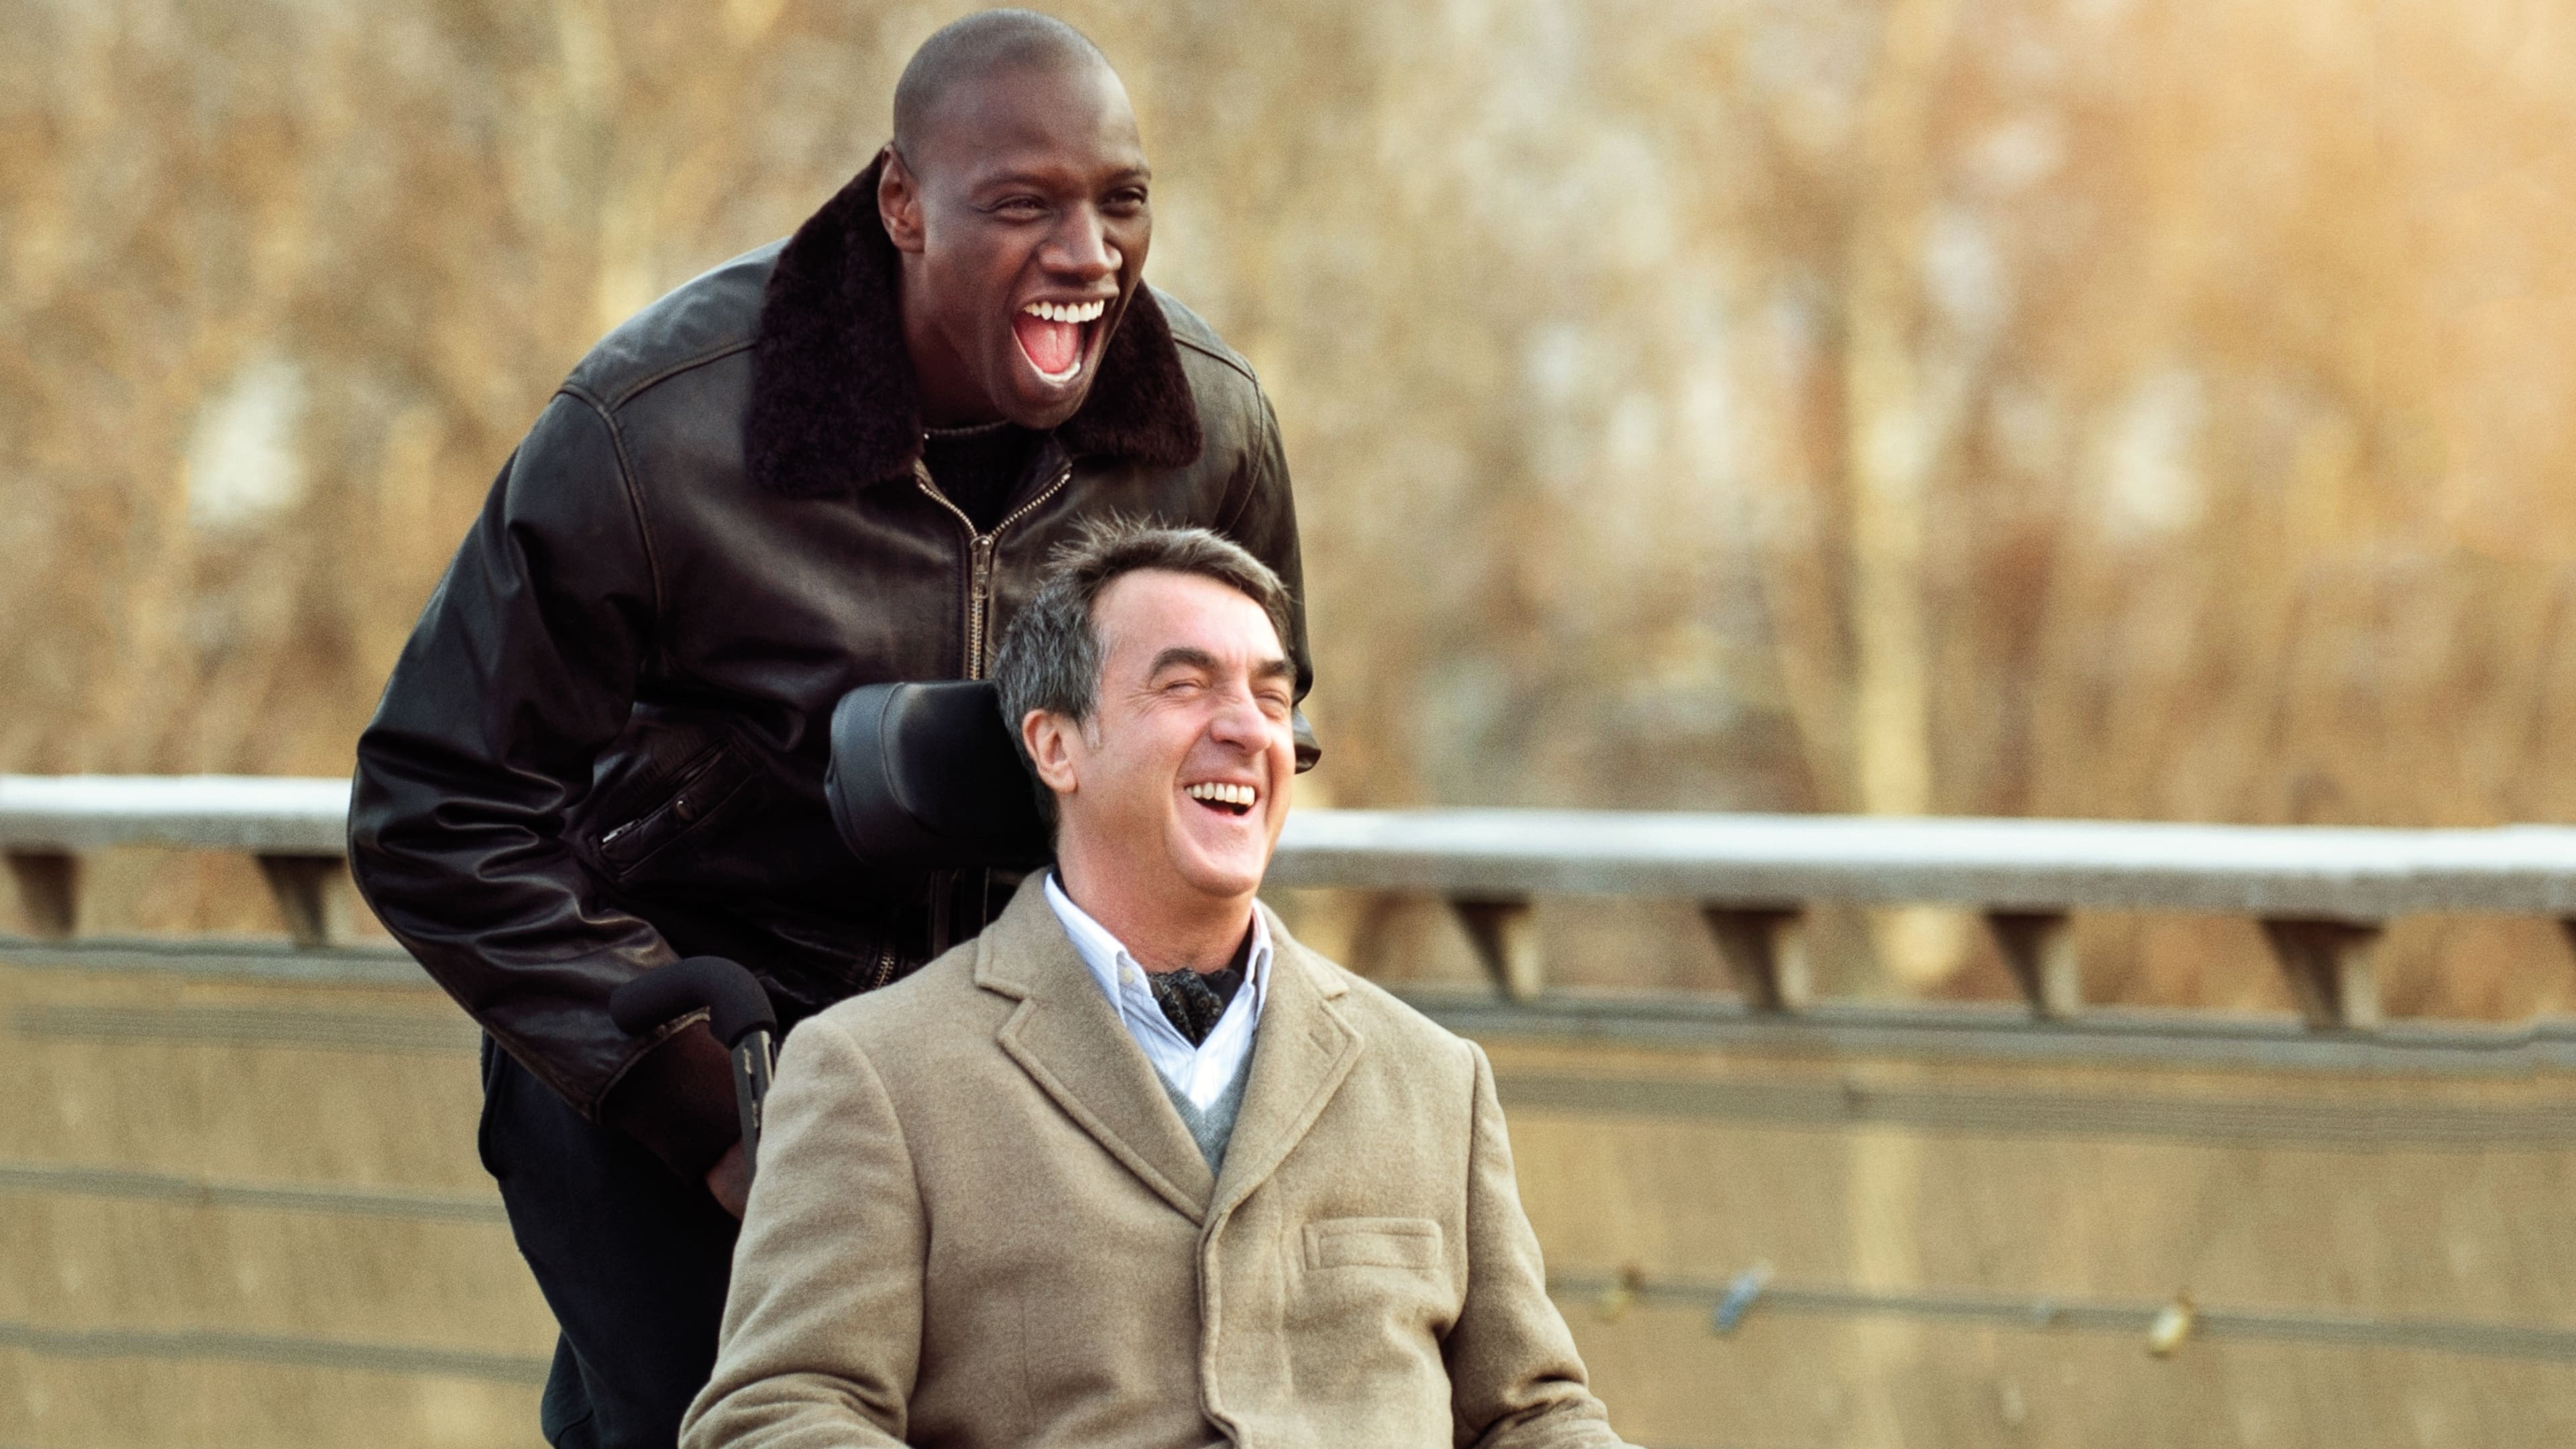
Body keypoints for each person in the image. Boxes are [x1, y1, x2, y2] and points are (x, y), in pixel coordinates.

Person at [345, 13, 1314, 1446]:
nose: (1090, 254)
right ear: (902, 204)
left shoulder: (1205, 433)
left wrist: (1184, 1059)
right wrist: (705, 1100)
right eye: (1023, 204)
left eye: (1122, 201)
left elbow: (1248, 748)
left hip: (1024, 1087)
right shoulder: (653, 430)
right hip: (686, 1082)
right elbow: (437, 809)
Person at [679, 521, 1630, 1448]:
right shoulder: (873, 1073)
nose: (1247, 729)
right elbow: (772, 1418)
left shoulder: (1437, 1079)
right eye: (1185, 685)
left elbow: (1536, 1417)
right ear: (1055, 747)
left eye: (1272, 698)